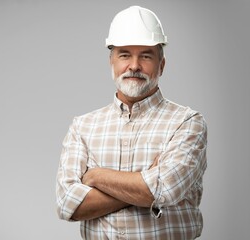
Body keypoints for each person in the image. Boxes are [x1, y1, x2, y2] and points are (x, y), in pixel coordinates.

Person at [56, 5, 207, 240]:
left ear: (162, 65)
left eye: (146, 55)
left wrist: (95, 176)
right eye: (124, 54)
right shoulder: (83, 126)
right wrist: (146, 181)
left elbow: (164, 189)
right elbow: (68, 205)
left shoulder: (187, 123)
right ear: (112, 62)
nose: (134, 66)